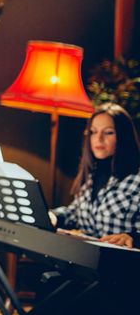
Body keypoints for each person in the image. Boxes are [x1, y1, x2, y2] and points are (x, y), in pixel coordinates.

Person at [50, 102, 140, 247]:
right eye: (93, 132)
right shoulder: (91, 173)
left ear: (123, 136)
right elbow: (74, 213)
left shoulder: (136, 178)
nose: (99, 138)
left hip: (124, 264)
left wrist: (133, 238)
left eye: (109, 132)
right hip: (86, 261)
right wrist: (53, 216)